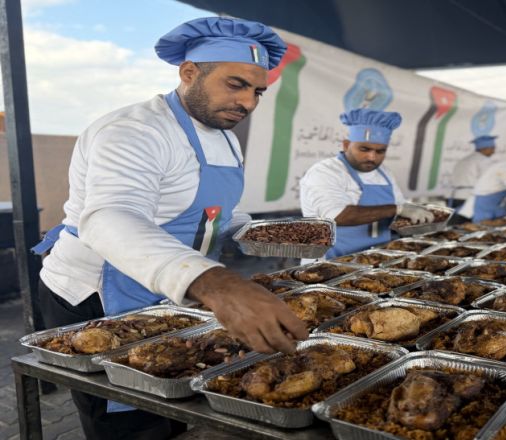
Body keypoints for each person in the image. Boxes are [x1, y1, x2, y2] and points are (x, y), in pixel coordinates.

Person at [31, 17, 308, 440]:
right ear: (189, 72)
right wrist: (219, 284)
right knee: (130, 421)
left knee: (173, 400)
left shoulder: (224, 135)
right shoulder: (134, 130)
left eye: (257, 91)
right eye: (235, 85)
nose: (248, 102)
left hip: (170, 292)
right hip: (97, 295)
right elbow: (110, 217)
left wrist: (258, 234)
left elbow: (218, 212)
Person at [300, 109, 434, 257]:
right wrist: (398, 209)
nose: (372, 157)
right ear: (346, 145)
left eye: (380, 151)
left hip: (377, 258)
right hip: (329, 261)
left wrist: (417, 217)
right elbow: (336, 216)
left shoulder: (384, 173)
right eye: (364, 149)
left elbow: (400, 211)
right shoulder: (325, 172)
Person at [449, 135, 497, 208]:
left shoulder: (463, 160)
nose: (493, 152)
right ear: (484, 149)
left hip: (454, 197)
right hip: (469, 198)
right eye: (492, 148)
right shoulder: (484, 160)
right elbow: (487, 180)